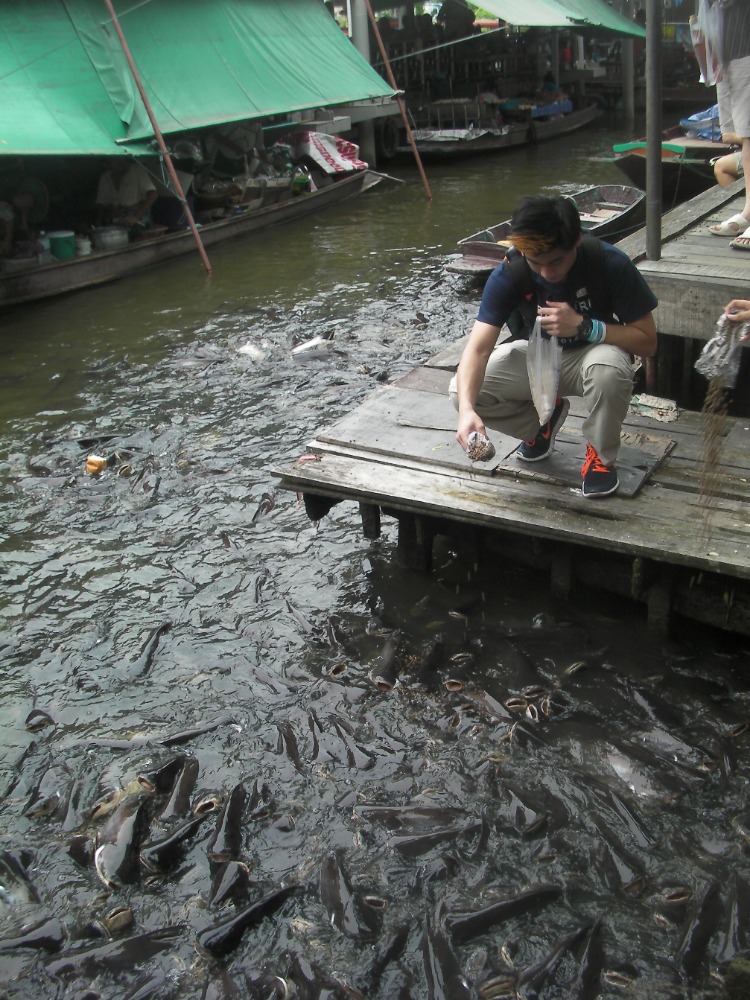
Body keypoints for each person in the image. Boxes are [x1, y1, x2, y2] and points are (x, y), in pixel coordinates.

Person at [449, 195, 658, 499]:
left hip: (595, 354)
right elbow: (478, 349)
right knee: (461, 392)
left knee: (607, 370)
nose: (547, 273)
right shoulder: (510, 272)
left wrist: (585, 326)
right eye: (536, 262)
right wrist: (467, 411)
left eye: (557, 261)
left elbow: (648, 341)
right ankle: (541, 424)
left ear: (576, 241)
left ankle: (601, 455)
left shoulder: (609, 263)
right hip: (539, 359)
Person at [696, 2, 750, 242]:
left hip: (744, 44)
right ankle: (748, 212)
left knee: (749, 133)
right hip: (723, 47)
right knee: (744, 135)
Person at [95, 157, 156, 227]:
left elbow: (153, 195)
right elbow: (101, 203)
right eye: (113, 159)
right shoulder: (105, 178)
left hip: (139, 218)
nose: (119, 160)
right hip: (116, 220)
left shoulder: (137, 170)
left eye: (120, 157)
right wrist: (98, 221)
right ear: (106, 164)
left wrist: (135, 216)